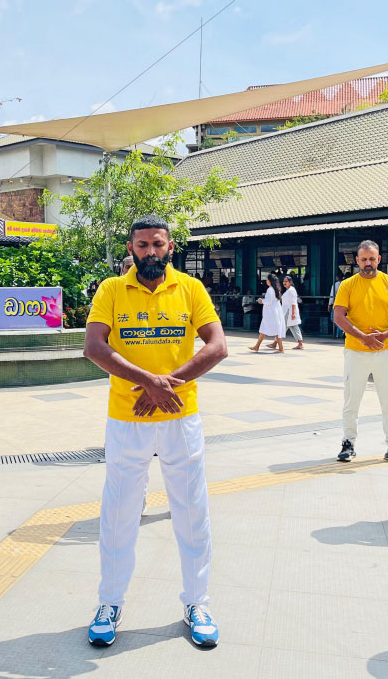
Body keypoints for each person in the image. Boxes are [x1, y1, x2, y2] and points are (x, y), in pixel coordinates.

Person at [83, 215, 227, 648]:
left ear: (170, 247)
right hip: (127, 420)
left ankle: (197, 602)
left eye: (157, 244)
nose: (150, 252)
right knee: (120, 512)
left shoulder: (190, 288)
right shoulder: (111, 290)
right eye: (142, 245)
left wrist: (165, 387)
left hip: (180, 418)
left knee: (191, 510)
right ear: (131, 249)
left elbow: (217, 346)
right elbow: (94, 347)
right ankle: (110, 602)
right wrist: (149, 383)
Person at [333, 241, 388, 465]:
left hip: (385, 351)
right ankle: (349, 443)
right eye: (364, 259)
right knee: (352, 400)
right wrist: (363, 337)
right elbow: (339, 316)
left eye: (372, 259)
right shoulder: (347, 285)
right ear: (357, 261)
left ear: (379, 259)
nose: (368, 263)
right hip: (356, 351)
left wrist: (384, 335)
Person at [248, 274, 284, 352]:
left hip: (270, 314)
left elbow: (269, 301)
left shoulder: (270, 289)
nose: (266, 281)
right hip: (273, 313)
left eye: (267, 280)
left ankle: (281, 348)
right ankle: (257, 346)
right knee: (264, 329)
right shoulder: (276, 289)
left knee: (271, 330)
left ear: (270, 281)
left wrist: (261, 301)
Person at [276, 274, 303, 350]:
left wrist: (293, 313)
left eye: (286, 281)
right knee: (292, 326)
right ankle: (300, 343)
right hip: (287, 311)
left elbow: (293, 302)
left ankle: (275, 343)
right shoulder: (288, 290)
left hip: (289, 311)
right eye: (284, 281)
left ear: (290, 282)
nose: (284, 282)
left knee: (283, 327)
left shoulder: (291, 290)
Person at [328, 271, 345, 339]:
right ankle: (339, 334)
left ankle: (342, 330)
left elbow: (332, 295)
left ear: (337, 277)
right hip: (344, 304)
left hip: (336, 303)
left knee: (334, 319)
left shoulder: (335, 285)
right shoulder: (345, 284)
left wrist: (329, 304)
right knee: (340, 318)